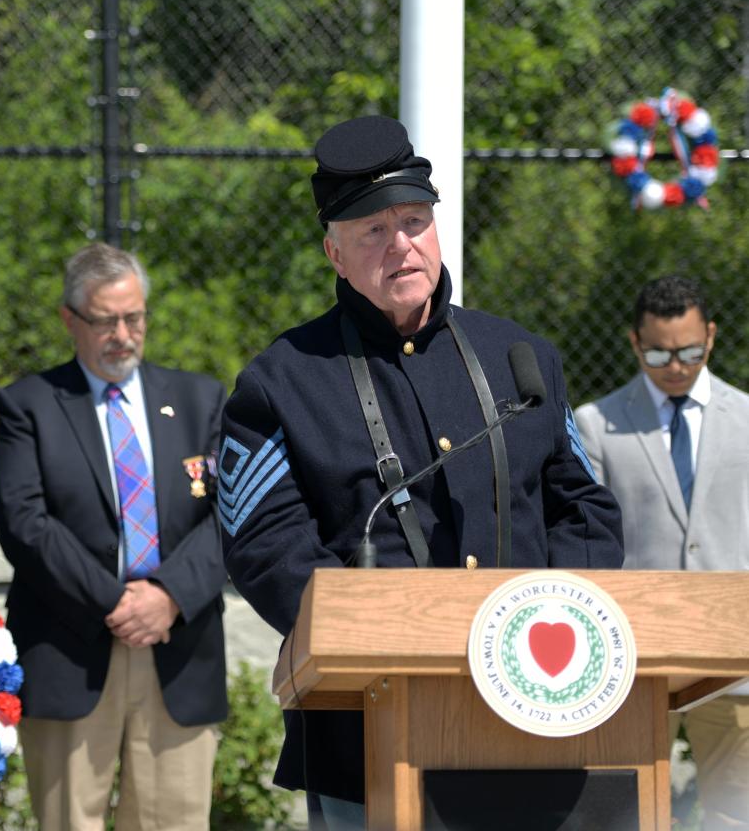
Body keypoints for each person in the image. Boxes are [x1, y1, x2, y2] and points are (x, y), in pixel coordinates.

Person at [216, 115, 624, 828]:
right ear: (334, 255)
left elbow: (585, 512)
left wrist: (548, 625)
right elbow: (267, 547)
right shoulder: (279, 382)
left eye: (413, 221)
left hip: (539, 717)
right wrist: (385, 636)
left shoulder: (520, 358)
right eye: (372, 231)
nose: (400, 245)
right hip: (370, 735)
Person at [0, 242, 228, 831]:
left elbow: (233, 516)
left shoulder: (200, 400)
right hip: (72, 646)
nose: (123, 334)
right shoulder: (31, 406)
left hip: (178, 646)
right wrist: (115, 601)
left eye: (134, 317)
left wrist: (167, 596)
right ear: (71, 319)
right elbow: (25, 522)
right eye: (105, 320)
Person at [575, 275, 749, 830]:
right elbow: (591, 542)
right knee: (629, 811)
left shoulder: (747, 418)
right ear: (633, 341)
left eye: (691, 351)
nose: (675, 365)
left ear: (712, 338)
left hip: (733, 654)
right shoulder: (596, 424)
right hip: (635, 654)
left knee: (736, 810)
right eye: (657, 352)